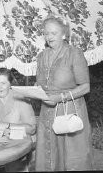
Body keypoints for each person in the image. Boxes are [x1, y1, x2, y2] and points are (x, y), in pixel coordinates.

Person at [35, 16, 93, 171]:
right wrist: (35, 90)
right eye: (46, 33)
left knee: (71, 156)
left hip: (70, 110)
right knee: (49, 156)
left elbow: (85, 87)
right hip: (47, 110)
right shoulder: (41, 56)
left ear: (63, 34)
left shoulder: (74, 53)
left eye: (53, 33)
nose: (49, 37)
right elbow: (41, 83)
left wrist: (61, 97)